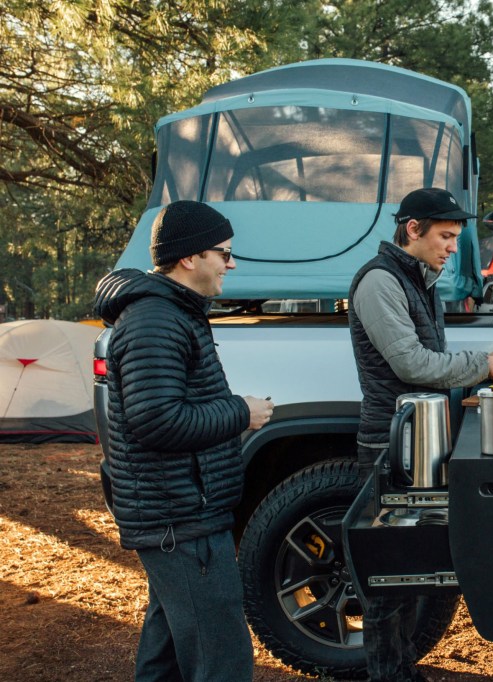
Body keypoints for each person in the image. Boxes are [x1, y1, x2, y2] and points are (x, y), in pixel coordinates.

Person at [94, 200, 274, 682]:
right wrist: (242, 412)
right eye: (224, 253)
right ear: (190, 258)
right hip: (179, 519)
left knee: (168, 652)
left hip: (180, 513)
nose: (231, 264)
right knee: (222, 659)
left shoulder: (173, 312)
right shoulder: (155, 319)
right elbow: (156, 420)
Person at [349, 187, 493, 682]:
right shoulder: (380, 281)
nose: (452, 247)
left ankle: (403, 670)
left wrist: (484, 362)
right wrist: (482, 366)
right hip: (390, 444)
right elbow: (411, 362)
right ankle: (389, 676)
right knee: (386, 579)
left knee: (408, 572)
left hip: (416, 441)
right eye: (446, 236)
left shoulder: (418, 278)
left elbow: (427, 356)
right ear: (413, 229)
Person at [436, 219, 484, 312]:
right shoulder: (465, 220)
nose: (454, 249)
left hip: (454, 286)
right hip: (456, 287)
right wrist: (476, 290)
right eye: (446, 236)